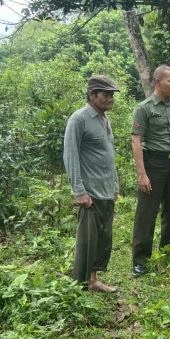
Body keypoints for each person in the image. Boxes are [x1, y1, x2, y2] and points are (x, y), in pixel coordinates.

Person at [130, 65, 170, 275]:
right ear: (158, 82)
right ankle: (140, 260)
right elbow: (136, 142)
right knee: (147, 213)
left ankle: (167, 250)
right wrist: (142, 173)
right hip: (153, 164)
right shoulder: (144, 109)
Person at [63, 75, 121, 292]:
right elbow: (70, 156)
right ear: (91, 95)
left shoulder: (105, 120)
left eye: (112, 95)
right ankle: (80, 285)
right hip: (90, 192)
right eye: (106, 95)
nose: (111, 99)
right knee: (87, 241)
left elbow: (109, 155)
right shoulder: (79, 119)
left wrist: (114, 185)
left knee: (103, 238)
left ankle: (93, 280)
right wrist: (79, 190)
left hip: (105, 189)